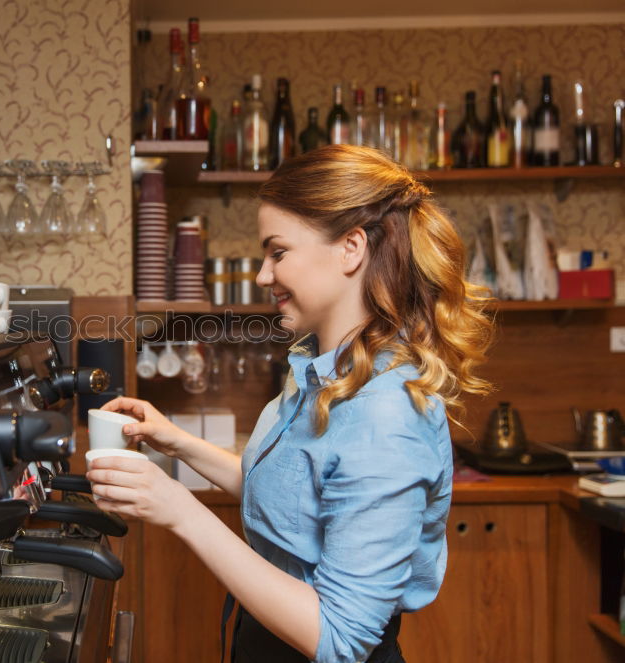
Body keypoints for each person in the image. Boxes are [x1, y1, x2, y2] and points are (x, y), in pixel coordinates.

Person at [88, 144, 494, 663]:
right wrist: (177, 443)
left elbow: (340, 639)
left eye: (278, 253)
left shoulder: (386, 415)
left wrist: (180, 510)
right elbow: (290, 501)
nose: (262, 275)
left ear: (351, 248)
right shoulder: (322, 369)